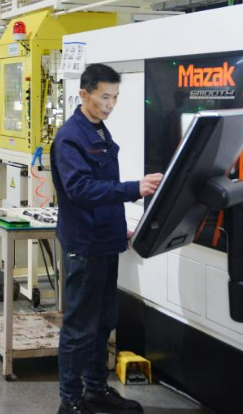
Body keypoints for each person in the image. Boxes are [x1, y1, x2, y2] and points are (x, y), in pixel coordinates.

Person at [50, 64, 163, 414]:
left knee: (102, 323)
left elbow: (102, 188)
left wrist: (119, 228)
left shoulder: (98, 130)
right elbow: (80, 189)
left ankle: (96, 391)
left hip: (104, 240)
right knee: (79, 327)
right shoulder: (71, 137)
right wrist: (134, 188)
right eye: (104, 97)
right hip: (85, 245)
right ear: (84, 94)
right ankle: (70, 401)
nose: (110, 104)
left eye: (115, 97)